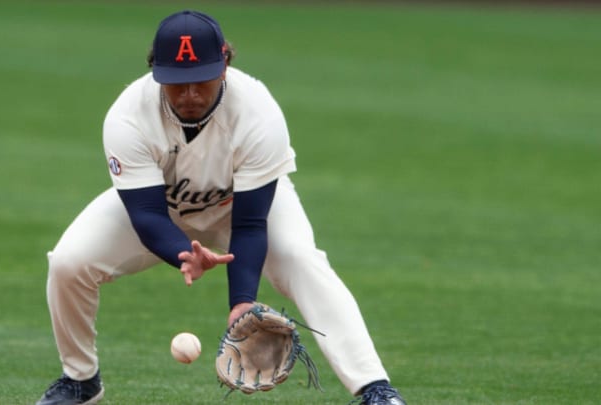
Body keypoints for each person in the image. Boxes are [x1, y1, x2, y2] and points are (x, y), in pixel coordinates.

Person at [35, 9, 406, 405]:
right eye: (177, 84)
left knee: (301, 260)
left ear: (225, 63)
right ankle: (80, 381)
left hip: (244, 206)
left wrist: (241, 303)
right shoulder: (128, 116)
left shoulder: (258, 112)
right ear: (155, 71)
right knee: (68, 263)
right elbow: (145, 214)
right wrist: (182, 253)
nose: (190, 94)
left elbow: (249, 224)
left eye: (201, 80)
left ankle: (375, 389)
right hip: (165, 209)